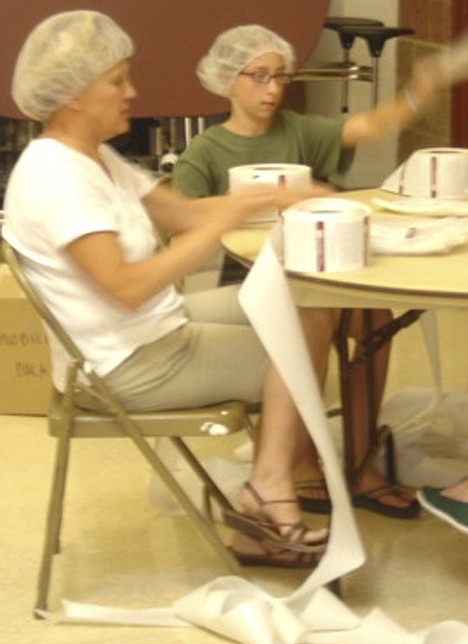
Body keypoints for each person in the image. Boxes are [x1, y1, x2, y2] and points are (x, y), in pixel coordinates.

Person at [2, 9, 355, 570]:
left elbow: (185, 212)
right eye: (117, 81)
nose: (132, 92)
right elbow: (126, 287)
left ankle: (267, 487)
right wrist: (217, 228)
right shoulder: (57, 177)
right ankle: (269, 488)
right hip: (124, 363)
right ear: (71, 94)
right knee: (298, 337)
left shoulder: (93, 156)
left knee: (308, 303)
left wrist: (272, 196)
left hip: (150, 329)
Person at [172, 24, 442, 519]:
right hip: (252, 285)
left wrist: (416, 94)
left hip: (317, 274)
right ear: (228, 80)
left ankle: (361, 462)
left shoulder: (297, 130)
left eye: (280, 77)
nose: (273, 89)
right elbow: (178, 223)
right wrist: (255, 200)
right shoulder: (207, 151)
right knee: (311, 314)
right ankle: (297, 462)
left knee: (375, 317)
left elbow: (369, 125)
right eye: (259, 76)